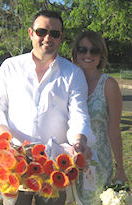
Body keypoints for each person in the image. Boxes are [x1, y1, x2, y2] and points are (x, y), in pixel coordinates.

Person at [0, 10, 95, 205]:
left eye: (54, 33)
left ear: (61, 37)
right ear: (30, 33)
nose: (47, 38)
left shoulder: (73, 74)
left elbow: (79, 114)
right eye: (41, 31)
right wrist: (5, 136)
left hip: (55, 166)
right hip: (15, 161)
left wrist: (79, 141)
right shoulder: (10, 67)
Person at [72, 30, 127, 204]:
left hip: (97, 163)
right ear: (76, 53)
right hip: (70, 160)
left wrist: (120, 169)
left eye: (94, 50)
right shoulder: (69, 82)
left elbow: (114, 129)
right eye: (83, 50)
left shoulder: (108, 84)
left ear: (101, 54)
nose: (88, 55)